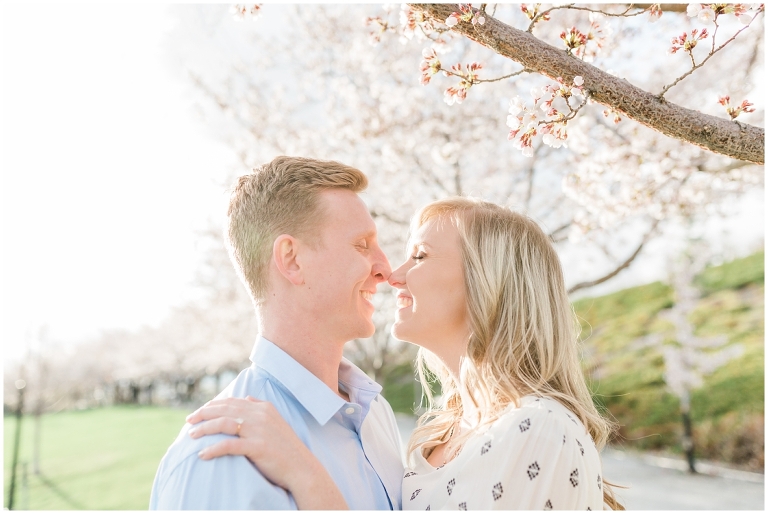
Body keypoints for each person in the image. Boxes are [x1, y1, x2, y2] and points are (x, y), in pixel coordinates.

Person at [186, 197, 624, 510]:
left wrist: (305, 476)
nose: (393, 275)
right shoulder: (442, 434)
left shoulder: (539, 431)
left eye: (420, 255)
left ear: (487, 282)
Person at [149, 156, 404, 510]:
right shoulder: (219, 454)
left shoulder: (376, 414)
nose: (384, 268)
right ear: (292, 259)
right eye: (362, 245)